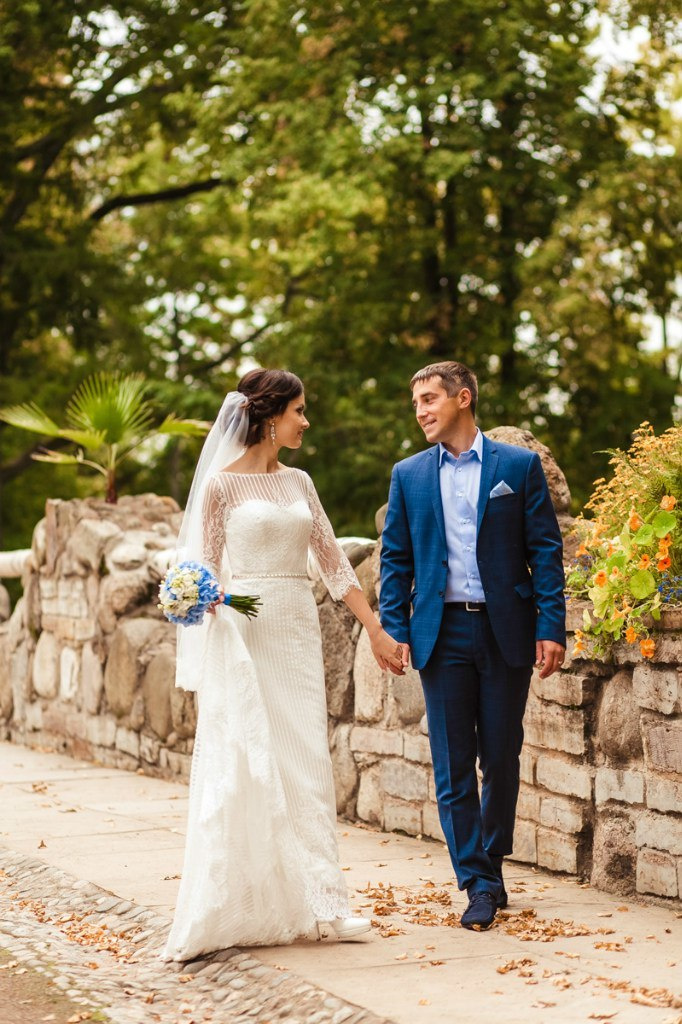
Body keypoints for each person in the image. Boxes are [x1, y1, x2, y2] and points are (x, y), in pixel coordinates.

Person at [163, 369, 403, 961]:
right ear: (271, 417)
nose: (306, 420)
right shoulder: (219, 488)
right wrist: (202, 596)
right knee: (248, 757)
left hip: (297, 628)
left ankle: (324, 902)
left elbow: (332, 561)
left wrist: (373, 628)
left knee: (304, 756)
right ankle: (243, 900)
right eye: (300, 410)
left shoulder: (299, 481)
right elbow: (207, 567)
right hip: (244, 632)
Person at [379, 361, 566, 931]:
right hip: (441, 632)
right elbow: (395, 559)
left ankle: (490, 858)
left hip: (505, 628)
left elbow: (546, 551)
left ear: (464, 398)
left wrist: (551, 625)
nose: (421, 411)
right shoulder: (408, 474)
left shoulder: (518, 466)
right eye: (416, 403)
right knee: (453, 764)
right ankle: (478, 881)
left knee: (502, 758)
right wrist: (393, 627)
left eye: (431, 399)